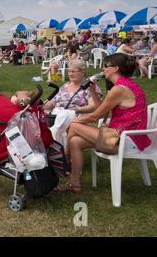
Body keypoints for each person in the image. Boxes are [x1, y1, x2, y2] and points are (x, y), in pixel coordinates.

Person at [56, 53, 152, 194]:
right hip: (122, 135)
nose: (103, 68)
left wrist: (76, 121)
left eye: (106, 65)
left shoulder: (119, 89)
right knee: (75, 141)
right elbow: (102, 109)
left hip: (125, 139)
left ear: (115, 69)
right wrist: (92, 90)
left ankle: (65, 163)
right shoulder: (124, 85)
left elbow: (96, 115)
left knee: (74, 126)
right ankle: (74, 183)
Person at [43, 59, 103, 147]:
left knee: (60, 120)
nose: (70, 74)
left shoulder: (89, 86)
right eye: (69, 71)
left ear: (83, 72)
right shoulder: (66, 85)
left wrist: (77, 110)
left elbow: (93, 106)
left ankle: (56, 149)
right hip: (55, 115)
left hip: (74, 117)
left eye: (73, 71)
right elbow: (54, 102)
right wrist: (41, 105)